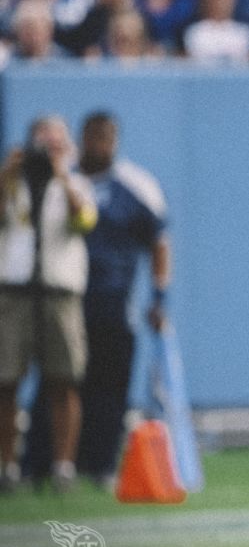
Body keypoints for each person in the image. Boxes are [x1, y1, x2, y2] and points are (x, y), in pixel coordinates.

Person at [0, 115, 97, 493]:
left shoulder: (79, 182)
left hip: (60, 292)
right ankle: (7, 467)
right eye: (43, 144)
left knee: (64, 380)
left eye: (56, 144)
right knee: (6, 381)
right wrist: (8, 175)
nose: (48, 151)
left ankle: (63, 467)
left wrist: (61, 174)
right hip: (15, 292)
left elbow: (85, 221)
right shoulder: (13, 183)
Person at [75, 111, 171, 486]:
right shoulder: (66, 180)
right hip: (65, 299)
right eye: (94, 136)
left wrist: (159, 296)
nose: (100, 144)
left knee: (110, 386)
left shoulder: (136, 184)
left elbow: (159, 243)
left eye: (107, 137)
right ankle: (57, 462)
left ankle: (102, 463)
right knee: (65, 383)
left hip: (115, 301)